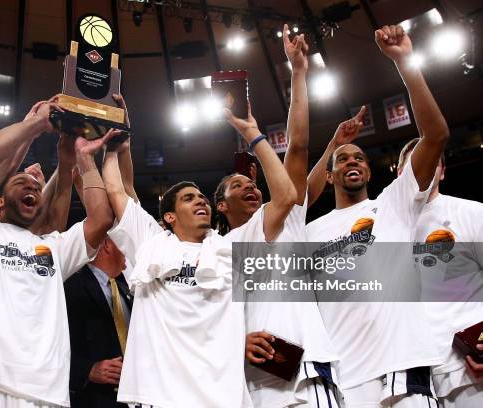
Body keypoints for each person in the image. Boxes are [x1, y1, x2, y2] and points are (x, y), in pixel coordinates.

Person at [102, 90, 297, 406]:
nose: (200, 200)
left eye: (203, 197)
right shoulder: (151, 242)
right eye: (188, 198)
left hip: (223, 397)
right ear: (168, 216)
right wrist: (112, 138)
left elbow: (286, 197)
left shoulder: (233, 247)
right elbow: (115, 188)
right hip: (161, 396)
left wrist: (252, 134)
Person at [305, 25, 449, 406]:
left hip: (402, 365)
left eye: (360, 158)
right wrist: (332, 145)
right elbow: (295, 198)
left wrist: (404, 62)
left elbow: (435, 135)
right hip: (345, 377)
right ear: (330, 174)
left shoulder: (392, 204)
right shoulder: (309, 232)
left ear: (369, 172)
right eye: (343, 160)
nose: (352, 161)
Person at [0, 98, 116, 407]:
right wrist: (34, 127)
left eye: (37, 187)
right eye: (22, 182)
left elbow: (103, 219)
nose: (34, 188)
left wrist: (83, 159)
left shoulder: (51, 247)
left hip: (48, 395)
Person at [215, 25, 340, 407]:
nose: (251, 187)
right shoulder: (214, 250)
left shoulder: (286, 216)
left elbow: (298, 146)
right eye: (237, 186)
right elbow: (206, 318)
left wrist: (298, 72)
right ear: (220, 205)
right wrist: (234, 342)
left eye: (252, 184)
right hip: (249, 382)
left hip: (303, 372)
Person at [397, 139, 483, 407]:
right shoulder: (388, 229)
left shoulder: (471, 212)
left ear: (443, 171)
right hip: (419, 379)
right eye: (414, 162)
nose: (423, 166)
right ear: (400, 174)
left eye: (432, 160)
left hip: (471, 366)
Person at [65, 237, 132, 408]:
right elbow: (53, 342)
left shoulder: (125, 289)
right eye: (124, 242)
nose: (128, 248)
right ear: (107, 245)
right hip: (91, 398)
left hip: (129, 397)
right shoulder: (71, 284)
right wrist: (86, 370)